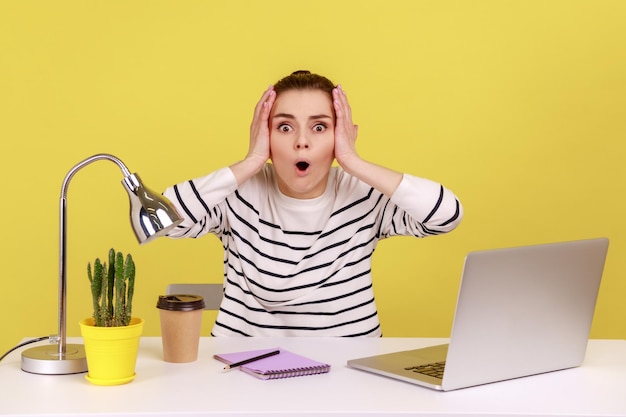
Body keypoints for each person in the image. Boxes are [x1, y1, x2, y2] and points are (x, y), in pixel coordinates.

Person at [163, 70, 463, 337]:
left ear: (343, 135)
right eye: (284, 127)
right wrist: (250, 161)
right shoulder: (236, 193)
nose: (301, 142)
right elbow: (162, 221)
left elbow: (446, 215)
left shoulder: (364, 194)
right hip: (242, 368)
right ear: (263, 136)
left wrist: (352, 161)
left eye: (320, 127)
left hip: (347, 372)